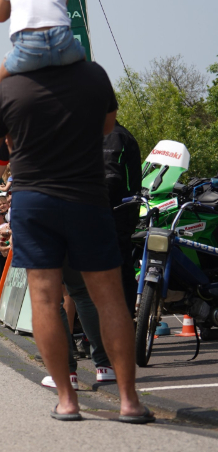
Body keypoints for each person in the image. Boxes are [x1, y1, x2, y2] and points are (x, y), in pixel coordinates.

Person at [0, 53, 152, 423]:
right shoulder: (93, 77)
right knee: (107, 297)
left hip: (35, 198)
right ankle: (128, 400)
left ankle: (68, 400)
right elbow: (107, 127)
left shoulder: (10, 91)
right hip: (87, 196)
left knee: (44, 298)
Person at [104, 122, 142, 314]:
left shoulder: (115, 136)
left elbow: (111, 177)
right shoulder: (108, 134)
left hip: (117, 213)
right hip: (115, 212)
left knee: (117, 270)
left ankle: (124, 321)